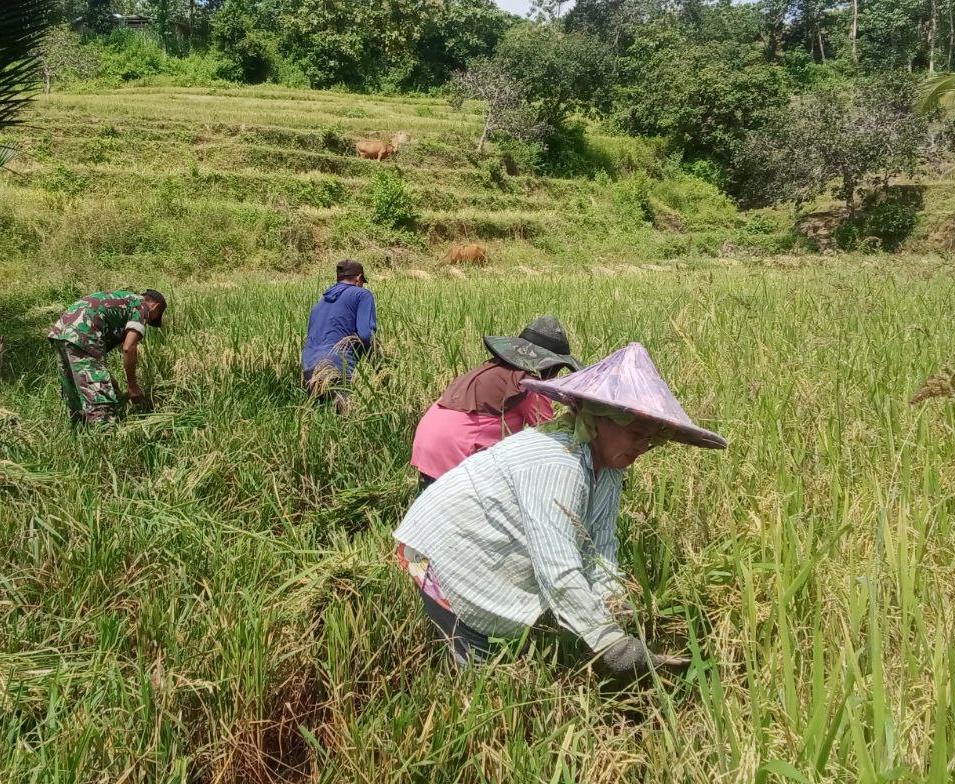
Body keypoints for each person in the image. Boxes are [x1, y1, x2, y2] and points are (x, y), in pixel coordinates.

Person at [393, 342, 727, 683]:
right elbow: (558, 566)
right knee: (476, 672)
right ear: (597, 418)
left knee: (520, 652)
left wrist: (615, 610)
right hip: (440, 552)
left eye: (653, 440)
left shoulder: (609, 469)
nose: (642, 446)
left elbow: (600, 546)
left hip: (485, 548)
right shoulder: (557, 462)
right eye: (636, 433)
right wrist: (611, 644)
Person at [410, 316, 580, 490]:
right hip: (455, 449)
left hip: (428, 441)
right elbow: (550, 436)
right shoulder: (528, 385)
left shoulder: (490, 369)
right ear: (550, 366)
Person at [48, 289, 167, 425]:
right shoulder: (142, 307)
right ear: (155, 306)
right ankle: (104, 434)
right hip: (84, 335)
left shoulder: (123, 299)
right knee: (99, 398)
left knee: (74, 390)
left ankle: (79, 427)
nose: (149, 321)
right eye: (155, 317)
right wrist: (132, 385)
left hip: (61, 331)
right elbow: (128, 348)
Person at [301, 259, 376, 410]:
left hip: (308, 366)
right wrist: (376, 362)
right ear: (358, 278)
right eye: (362, 282)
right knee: (344, 421)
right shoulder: (362, 295)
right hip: (336, 365)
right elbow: (365, 334)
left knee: (318, 420)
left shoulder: (321, 301)